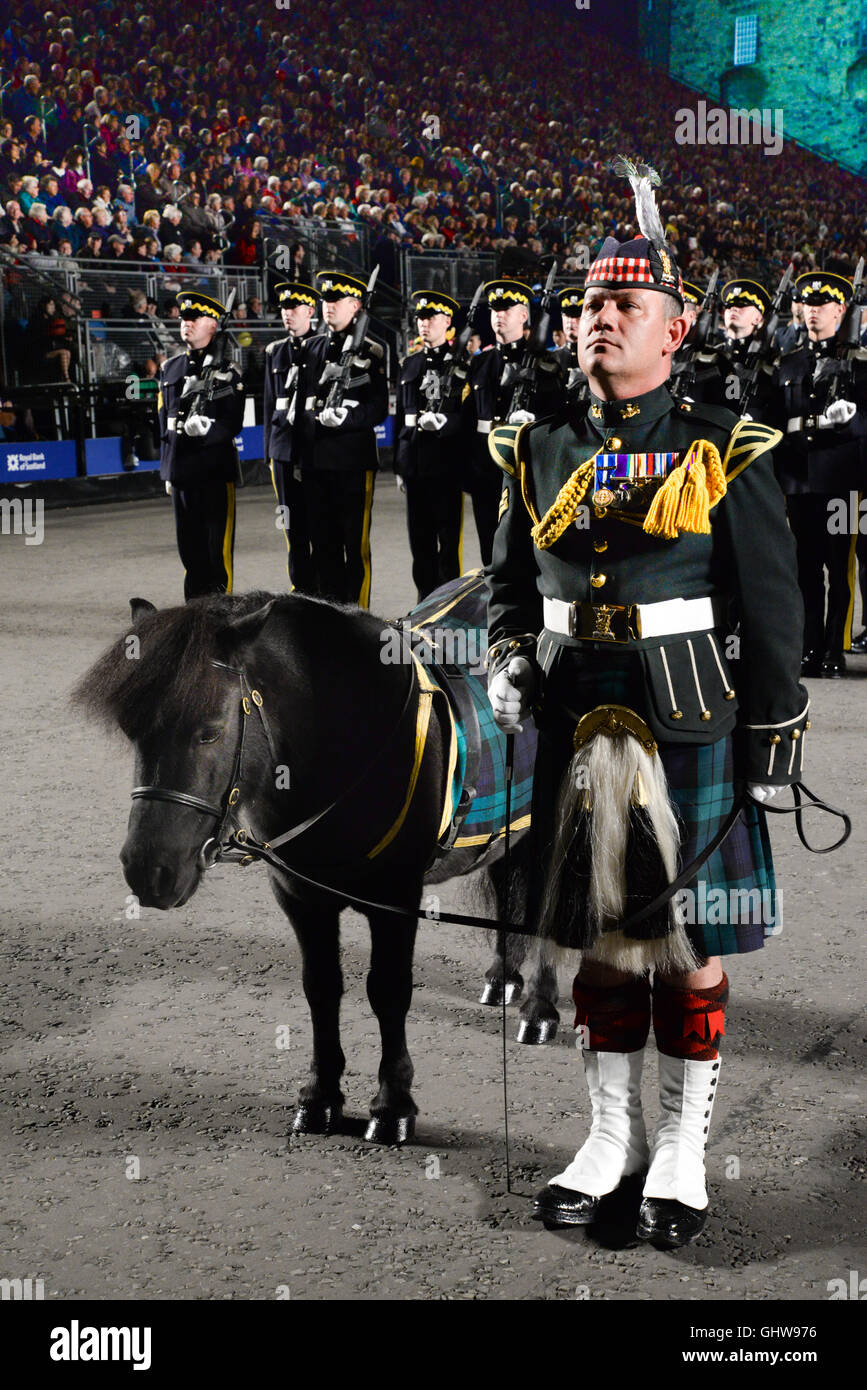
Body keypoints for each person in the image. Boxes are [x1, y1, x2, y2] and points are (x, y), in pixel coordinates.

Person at [485, 160, 808, 1250]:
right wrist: (507, 656)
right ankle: (610, 1135)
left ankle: (681, 1146)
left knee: (693, 939)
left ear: (676, 332)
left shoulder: (725, 444)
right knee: (605, 941)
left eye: (625, 306)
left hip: (689, 716)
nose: (600, 321)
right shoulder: (538, 445)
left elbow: (771, 605)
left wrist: (773, 738)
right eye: (587, 306)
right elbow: (512, 585)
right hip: (578, 711)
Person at [769, 270, 867, 678]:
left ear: (840, 310)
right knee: (805, 570)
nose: (813, 311)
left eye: (823, 305)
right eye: (808, 304)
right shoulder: (790, 363)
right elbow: (778, 419)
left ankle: (834, 648)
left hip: (842, 482)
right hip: (799, 479)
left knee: (838, 572)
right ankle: (809, 646)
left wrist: (850, 419)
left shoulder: (860, 365)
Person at [293, 269, 388, 606]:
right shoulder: (311, 349)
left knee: (354, 547)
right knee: (323, 545)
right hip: (317, 461)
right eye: (325, 300)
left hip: (352, 462)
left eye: (336, 301)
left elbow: (378, 408)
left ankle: (358, 617)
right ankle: (329, 619)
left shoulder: (374, 350)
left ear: (356, 306)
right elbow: (300, 403)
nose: (328, 307)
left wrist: (348, 417)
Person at [463, 277, 565, 564]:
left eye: (507, 309)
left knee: (527, 552)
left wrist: (535, 421)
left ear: (523, 316)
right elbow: (469, 421)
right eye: (495, 309)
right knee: (489, 552)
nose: (499, 315)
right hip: (485, 471)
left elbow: (557, 417)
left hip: (525, 472)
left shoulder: (545, 364)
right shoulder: (480, 363)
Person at [158, 290, 245, 600]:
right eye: (183, 318)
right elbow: (163, 420)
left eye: (194, 319)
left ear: (212, 324)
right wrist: (167, 468)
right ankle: (193, 616)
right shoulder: (170, 368)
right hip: (181, 471)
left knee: (216, 554)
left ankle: (221, 617)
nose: (186, 324)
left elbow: (233, 421)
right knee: (190, 553)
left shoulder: (228, 371)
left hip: (212, 472)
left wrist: (208, 430)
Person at [395, 289, 467, 601]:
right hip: (414, 465)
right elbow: (400, 418)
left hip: (447, 464)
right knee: (419, 545)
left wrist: (447, 424)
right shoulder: (409, 364)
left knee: (448, 545)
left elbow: (468, 415)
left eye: (431, 317)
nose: (424, 324)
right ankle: (423, 606)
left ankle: (448, 609)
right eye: (421, 318)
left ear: (447, 321)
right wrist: (399, 465)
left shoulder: (464, 365)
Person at [264, 281, 319, 592]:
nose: (288, 314)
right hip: (283, 451)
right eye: (284, 309)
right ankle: (300, 587)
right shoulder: (275, 352)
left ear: (309, 311)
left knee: (317, 524)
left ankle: (320, 588)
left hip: (312, 450)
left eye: (294, 308)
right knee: (291, 527)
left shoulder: (322, 346)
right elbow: (269, 405)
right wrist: (269, 452)